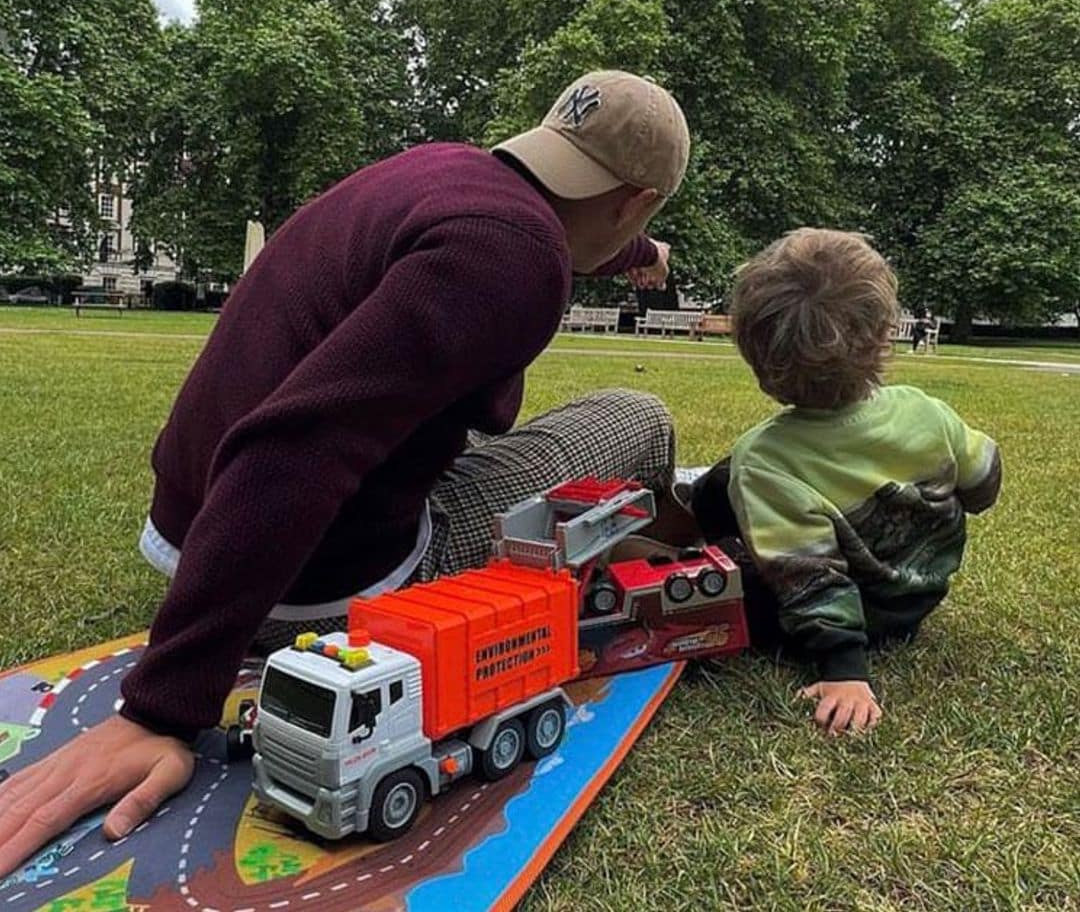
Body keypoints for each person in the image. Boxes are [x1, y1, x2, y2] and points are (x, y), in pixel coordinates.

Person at [0, 70, 690, 876]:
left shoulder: (444, 173)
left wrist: (636, 250)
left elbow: (564, 231)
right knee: (637, 414)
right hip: (313, 580)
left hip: (198, 531)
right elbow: (296, 446)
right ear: (636, 200)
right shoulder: (514, 254)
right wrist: (161, 706)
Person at [684, 229, 1001, 735]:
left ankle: (696, 517)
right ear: (883, 334)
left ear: (756, 357)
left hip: (854, 617)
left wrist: (844, 670)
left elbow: (807, 575)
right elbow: (985, 482)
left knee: (711, 568)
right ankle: (708, 500)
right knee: (724, 480)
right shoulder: (926, 413)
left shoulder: (764, 459)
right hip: (916, 598)